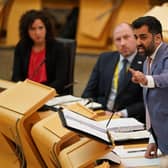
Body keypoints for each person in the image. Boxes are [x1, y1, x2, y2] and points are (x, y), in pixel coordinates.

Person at [82, 23, 146, 123]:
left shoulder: (147, 62)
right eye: (118, 39)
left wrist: (120, 114)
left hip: (128, 119)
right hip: (100, 114)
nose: (122, 43)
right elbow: (88, 93)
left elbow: (146, 102)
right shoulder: (104, 58)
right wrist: (95, 111)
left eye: (126, 37)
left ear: (136, 38)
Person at [130, 16, 168, 156]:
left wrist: (146, 80)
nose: (138, 42)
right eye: (136, 37)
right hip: (162, 139)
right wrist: (153, 138)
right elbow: (152, 104)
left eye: (143, 37)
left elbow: (166, 78)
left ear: (157, 38)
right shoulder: (147, 61)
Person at [11, 9, 68, 95]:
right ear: (26, 31)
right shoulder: (21, 46)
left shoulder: (58, 49)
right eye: (32, 29)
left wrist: (41, 93)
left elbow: (60, 81)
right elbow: (16, 76)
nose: (37, 33)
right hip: (25, 92)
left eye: (41, 28)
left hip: (49, 94)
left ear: (47, 28)